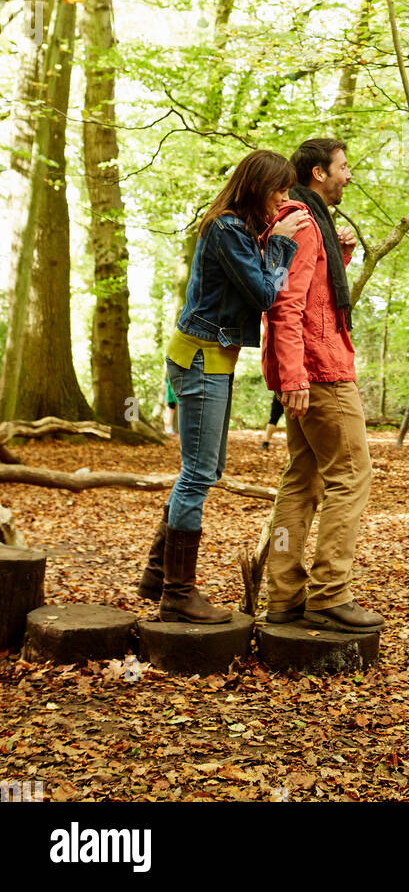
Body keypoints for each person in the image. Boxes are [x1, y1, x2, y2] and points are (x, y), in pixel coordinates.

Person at [137, 150, 310, 623]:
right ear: (256, 186)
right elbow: (264, 293)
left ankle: (158, 573)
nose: (284, 197)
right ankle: (177, 594)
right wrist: (282, 245)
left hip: (210, 359)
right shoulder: (228, 229)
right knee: (198, 474)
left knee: (202, 471)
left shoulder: (237, 229)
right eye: (279, 188)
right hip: (200, 360)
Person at [262, 137, 382, 633]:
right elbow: (285, 305)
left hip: (306, 370)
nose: (348, 175)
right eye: (343, 167)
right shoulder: (305, 223)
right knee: (351, 479)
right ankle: (330, 593)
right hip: (321, 373)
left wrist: (341, 259)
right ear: (318, 173)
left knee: (301, 480)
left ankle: (285, 595)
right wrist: (295, 376)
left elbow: (308, 293)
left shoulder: (302, 221)